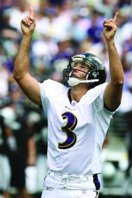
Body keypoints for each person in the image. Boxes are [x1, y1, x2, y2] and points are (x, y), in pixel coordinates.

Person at [13, 8, 124, 198]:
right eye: (76, 65)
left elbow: (118, 81)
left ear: (95, 76)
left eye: (83, 67)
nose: (76, 68)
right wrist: (27, 37)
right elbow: (20, 75)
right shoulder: (54, 92)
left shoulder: (98, 99)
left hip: (82, 186)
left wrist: (110, 42)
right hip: (52, 184)